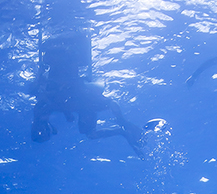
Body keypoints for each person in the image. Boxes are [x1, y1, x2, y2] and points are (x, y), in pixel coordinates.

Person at [32, 27, 145, 156]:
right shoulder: (77, 101)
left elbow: (109, 104)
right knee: (90, 130)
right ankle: (122, 129)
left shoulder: (53, 104)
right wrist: (122, 123)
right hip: (71, 82)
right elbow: (109, 104)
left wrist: (122, 123)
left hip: (71, 84)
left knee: (90, 130)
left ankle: (122, 129)